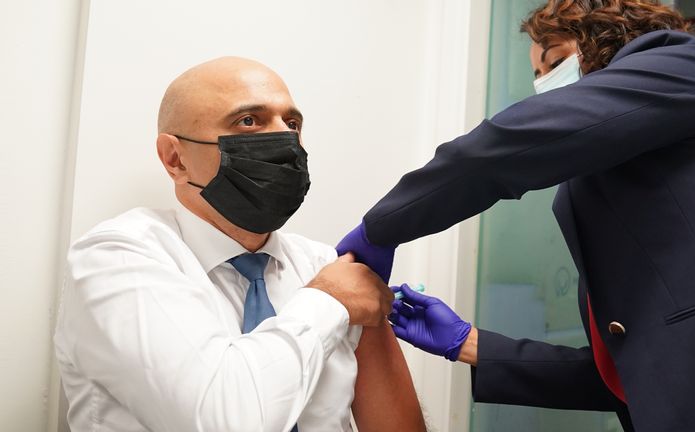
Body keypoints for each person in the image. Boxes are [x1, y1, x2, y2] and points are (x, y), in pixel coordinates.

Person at [336, 0, 695, 431]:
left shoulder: (682, 64)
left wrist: (383, 227)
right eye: (537, 75)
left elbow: (502, 152)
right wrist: (469, 343)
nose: (544, 85)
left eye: (555, 61)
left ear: (610, 38)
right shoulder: (606, 183)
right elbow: (634, 374)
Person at [54, 57, 425, 432]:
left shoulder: (323, 264)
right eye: (249, 121)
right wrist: (328, 302)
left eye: (292, 124)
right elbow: (223, 420)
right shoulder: (118, 257)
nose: (285, 142)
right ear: (175, 158)